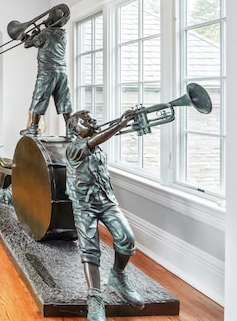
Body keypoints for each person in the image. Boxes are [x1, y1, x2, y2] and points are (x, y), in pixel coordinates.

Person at [65, 110, 144, 321]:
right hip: (84, 205)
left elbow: (98, 141)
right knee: (90, 248)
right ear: (74, 128)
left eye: (93, 119)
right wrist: (120, 123)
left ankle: (118, 275)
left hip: (107, 201)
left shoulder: (96, 143)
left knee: (127, 239)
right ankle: (95, 298)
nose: (93, 122)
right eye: (86, 121)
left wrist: (124, 124)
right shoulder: (73, 147)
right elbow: (93, 142)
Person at [20, 5, 73, 137]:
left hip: (47, 72)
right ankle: (70, 129)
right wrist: (37, 34)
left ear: (51, 20)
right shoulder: (63, 34)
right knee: (64, 100)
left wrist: (31, 35)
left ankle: (33, 128)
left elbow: (28, 44)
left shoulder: (45, 33)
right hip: (62, 72)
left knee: (39, 98)